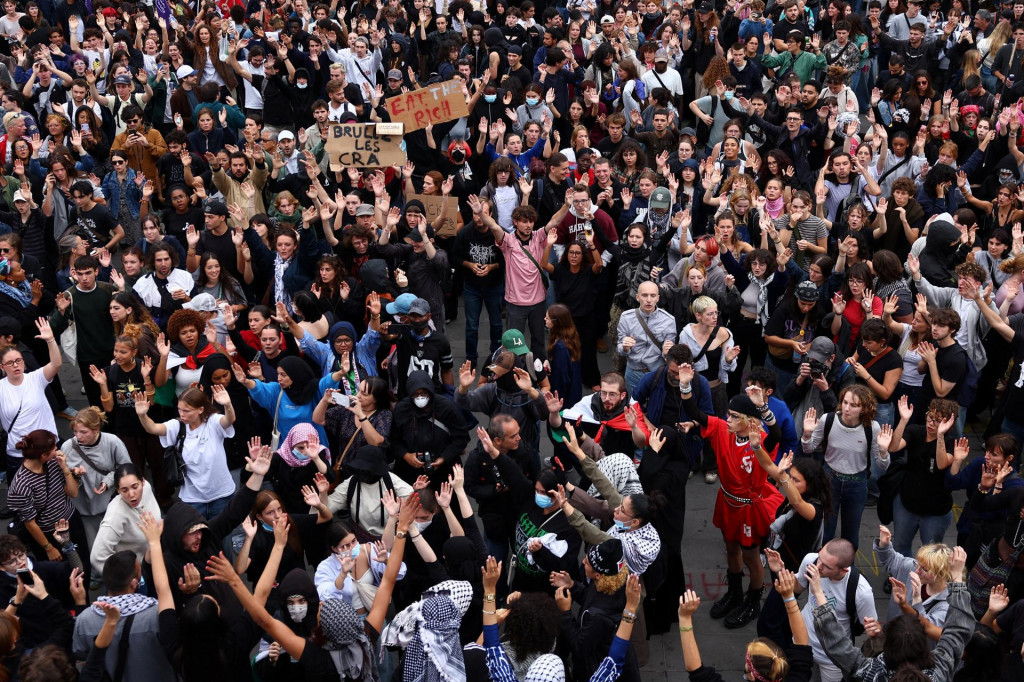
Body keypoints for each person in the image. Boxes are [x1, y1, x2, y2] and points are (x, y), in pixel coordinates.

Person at [678, 363, 784, 629]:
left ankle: (753, 600)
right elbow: (694, 412)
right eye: (729, 414)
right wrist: (685, 384)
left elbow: (778, 433)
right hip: (727, 501)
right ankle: (735, 592)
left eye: (735, 416)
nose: (729, 420)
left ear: (749, 421)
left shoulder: (759, 440)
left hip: (749, 506)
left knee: (751, 556)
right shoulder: (721, 430)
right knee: (730, 548)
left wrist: (762, 407)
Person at [800, 385, 887, 550]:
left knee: (851, 534)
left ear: (864, 409)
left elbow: (882, 465)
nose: (847, 408)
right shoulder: (829, 420)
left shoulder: (872, 428)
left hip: (857, 483)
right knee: (826, 531)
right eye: (845, 402)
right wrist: (806, 434)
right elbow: (808, 448)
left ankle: (847, 570)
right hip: (829, 479)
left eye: (853, 405)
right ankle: (823, 567)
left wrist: (883, 451)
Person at [134, 386, 236, 518]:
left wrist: (228, 405)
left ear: (200, 409)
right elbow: (153, 428)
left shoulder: (213, 421)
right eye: (179, 409)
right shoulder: (177, 426)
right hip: (192, 499)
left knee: (223, 535)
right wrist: (142, 415)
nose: (182, 414)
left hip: (222, 496)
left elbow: (229, 420)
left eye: (186, 411)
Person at [0, 318, 61, 486]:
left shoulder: (35, 379)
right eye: (10, 363)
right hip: (18, 452)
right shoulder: (1, 388)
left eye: (18, 360)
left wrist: (50, 340)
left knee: (52, 491)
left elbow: (56, 364)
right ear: (2, 367)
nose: (15, 365)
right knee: (21, 494)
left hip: (46, 449)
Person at [89, 463, 161, 578]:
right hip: (137, 579)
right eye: (124, 490)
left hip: (155, 564)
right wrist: (125, 580)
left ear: (142, 481)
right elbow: (97, 557)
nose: (132, 494)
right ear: (118, 490)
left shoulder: (146, 488)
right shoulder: (116, 513)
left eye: (135, 486)